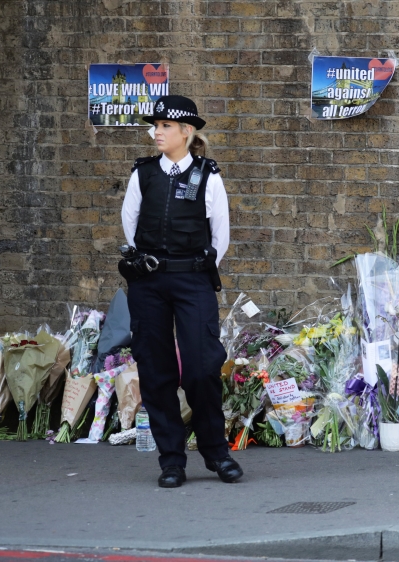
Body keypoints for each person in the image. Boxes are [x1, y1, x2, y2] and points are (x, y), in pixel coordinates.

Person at [120, 95, 243, 488]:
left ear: (187, 131)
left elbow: (221, 236)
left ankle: (216, 453)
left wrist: (192, 266)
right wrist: (150, 264)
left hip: (193, 281)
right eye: (155, 126)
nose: (157, 132)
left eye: (165, 126)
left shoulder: (208, 176)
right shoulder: (142, 174)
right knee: (156, 371)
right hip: (149, 282)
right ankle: (171, 460)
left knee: (202, 368)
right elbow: (130, 225)